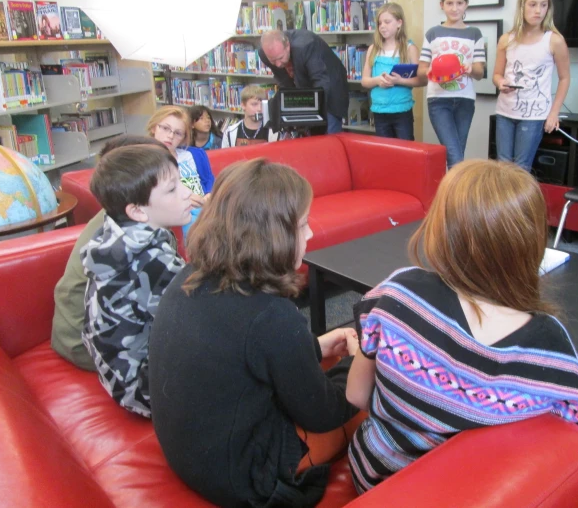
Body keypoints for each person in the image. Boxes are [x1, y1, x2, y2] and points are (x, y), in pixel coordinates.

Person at [345, 159, 578, 493]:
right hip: (475, 493)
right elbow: (571, 419)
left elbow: (356, 394)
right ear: (533, 243)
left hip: (377, 482)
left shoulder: (398, 292)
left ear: (441, 229)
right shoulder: (549, 346)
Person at [150, 158, 361, 507]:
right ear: (273, 236)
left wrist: (313, 347)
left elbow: (242, 353)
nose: (310, 234)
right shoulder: (272, 316)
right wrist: (354, 367)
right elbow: (322, 412)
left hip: (192, 457)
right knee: (372, 393)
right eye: (303, 225)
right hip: (244, 479)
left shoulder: (188, 277)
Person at [81, 144, 192, 417]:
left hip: (116, 376)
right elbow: (205, 313)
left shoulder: (119, 233)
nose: (188, 192)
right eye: (172, 189)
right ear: (138, 211)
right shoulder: (151, 260)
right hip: (143, 388)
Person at [51, 135, 168, 371]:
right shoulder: (128, 235)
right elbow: (168, 303)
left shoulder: (120, 214)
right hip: (83, 344)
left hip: (82, 332)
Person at [493, 0, 571, 171]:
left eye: (543, 5)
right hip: (505, 112)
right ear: (522, 6)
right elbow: (496, 74)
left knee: (521, 169)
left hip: (534, 116)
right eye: (533, 4)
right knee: (502, 167)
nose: (538, 10)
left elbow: (564, 78)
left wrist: (553, 113)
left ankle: (521, 203)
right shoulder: (506, 39)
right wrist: (501, 82)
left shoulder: (554, 40)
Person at [418, 0, 486, 169]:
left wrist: (470, 68)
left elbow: (480, 72)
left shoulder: (475, 34)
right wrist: (430, 71)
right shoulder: (433, 33)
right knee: (455, 156)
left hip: (465, 101)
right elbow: (421, 70)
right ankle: (457, 198)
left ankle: (451, 195)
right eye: (449, 3)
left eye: (459, 3)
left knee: (457, 154)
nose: (454, 8)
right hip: (439, 101)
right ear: (442, 5)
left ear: (466, 4)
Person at [259, 29, 349, 134]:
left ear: (287, 45)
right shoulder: (264, 53)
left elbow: (321, 81)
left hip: (330, 88)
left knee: (327, 138)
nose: (278, 64)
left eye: (280, 58)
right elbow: (284, 80)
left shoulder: (306, 45)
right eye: (273, 61)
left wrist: (308, 113)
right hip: (304, 86)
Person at [146, 105, 214, 233]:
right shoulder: (146, 161)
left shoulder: (195, 154)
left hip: (205, 209)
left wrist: (209, 195)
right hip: (180, 215)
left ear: (184, 137)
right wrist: (183, 201)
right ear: (154, 127)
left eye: (178, 133)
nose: (170, 136)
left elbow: (209, 180)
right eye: (166, 128)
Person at [361, 2, 419, 140]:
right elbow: (365, 81)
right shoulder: (373, 49)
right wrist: (377, 80)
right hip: (380, 112)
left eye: (387, 22)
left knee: (406, 152)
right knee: (385, 154)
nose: (382, 26)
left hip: (402, 111)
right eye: (380, 23)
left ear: (399, 23)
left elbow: (419, 80)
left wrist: (399, 80)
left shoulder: (410, 49)